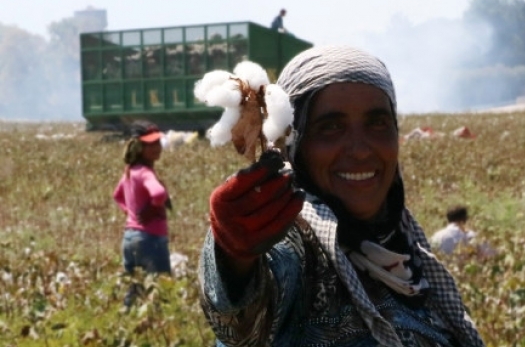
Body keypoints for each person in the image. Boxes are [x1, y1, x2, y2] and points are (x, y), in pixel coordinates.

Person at [199, 45, 485, 346]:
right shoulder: (296, 244)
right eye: (331, 127)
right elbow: (244, 313)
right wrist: (234, 255)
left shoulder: (408, 250)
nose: (361, 150)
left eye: (377, 123)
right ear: (295, 145)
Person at [113, 120, 172, 308]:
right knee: (159, 287)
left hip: (130, 239)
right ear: (139, 147)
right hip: (151, 239)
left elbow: (117, 196)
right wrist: (152, 208)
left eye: (158, 143)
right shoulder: (145, 173)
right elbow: (159, 194)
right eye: (150, 144)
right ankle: (158, 326)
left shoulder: (130, 172)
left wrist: (130, 214)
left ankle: (126, 320)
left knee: (135, 289)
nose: (157, 148)